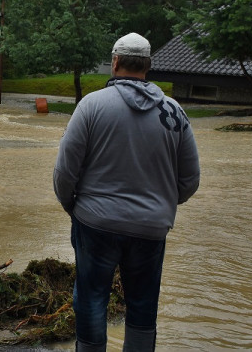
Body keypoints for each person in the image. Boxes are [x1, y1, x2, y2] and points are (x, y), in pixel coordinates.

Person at [53, 33, 200, 351]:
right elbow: (190, 180)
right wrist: (159, 205)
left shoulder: (91, 106)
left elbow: (65, 172)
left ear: (114, 62)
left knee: (91, 300)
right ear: (148, 66)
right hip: (151, 228)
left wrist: (73, 206)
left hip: (95, 223)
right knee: (143, 307)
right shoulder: (175, 113)